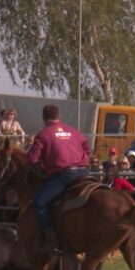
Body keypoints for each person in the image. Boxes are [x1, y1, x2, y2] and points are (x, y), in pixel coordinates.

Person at [27, 105, 91, 253]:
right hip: (83, 172)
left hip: (63, 175)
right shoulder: (74, 131)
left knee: (40, 202)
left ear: (44, 117)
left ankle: (51, 239)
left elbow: (32, 159)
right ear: (58, 116)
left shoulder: (43, 134)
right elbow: (87, 149)